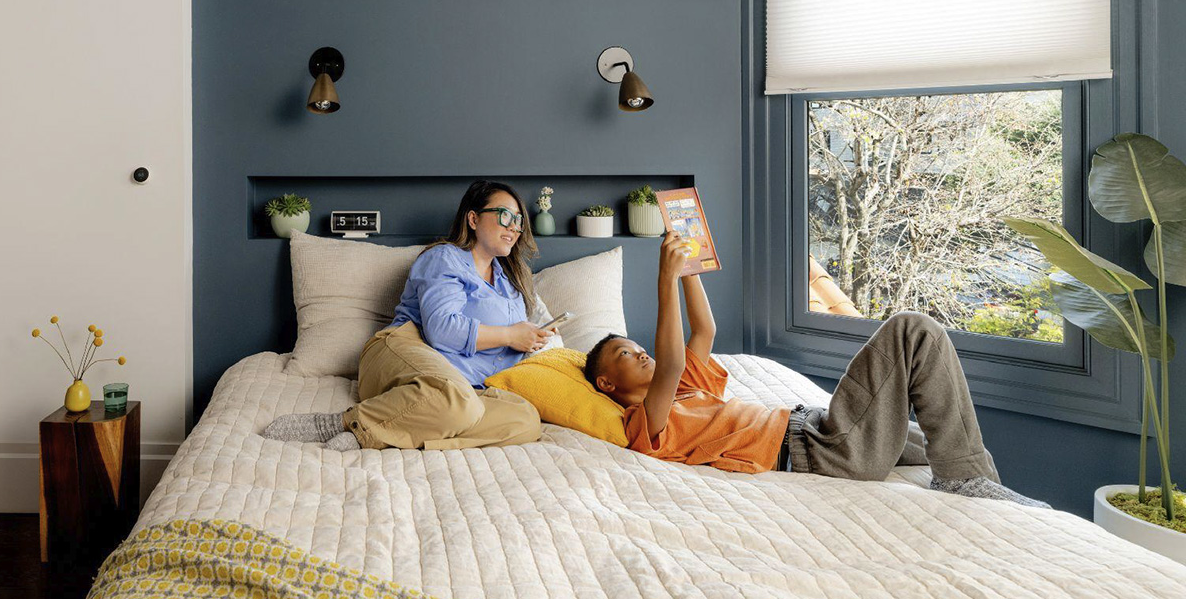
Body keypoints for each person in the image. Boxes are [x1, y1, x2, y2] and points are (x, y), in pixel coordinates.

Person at [584, 232, 1049, 507]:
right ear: (607, 383)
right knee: (912, 330)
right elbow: (671, 363)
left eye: (639, 346)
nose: (642, 353)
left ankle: (983, 489)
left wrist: (691, 268)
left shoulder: (687, 390)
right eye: (626, 354)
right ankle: (962, 482)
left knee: (948, 439)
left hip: (817, 427)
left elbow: (702, 333)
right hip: (820, 448)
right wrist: (664, 279)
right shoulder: (643, 425)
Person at [264, 180, 556, 451]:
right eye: (505, 215)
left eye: (519, 221)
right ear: (473, 218)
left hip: (466, 388)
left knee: (525, 419)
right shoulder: (445, 257)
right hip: (403, 350)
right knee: (458, 403)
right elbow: (441, 330)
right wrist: (510, 335)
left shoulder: (512, 285)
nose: (514, 227)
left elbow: (508, 350)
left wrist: (534, 341)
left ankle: (392, 432)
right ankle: (341, 423)